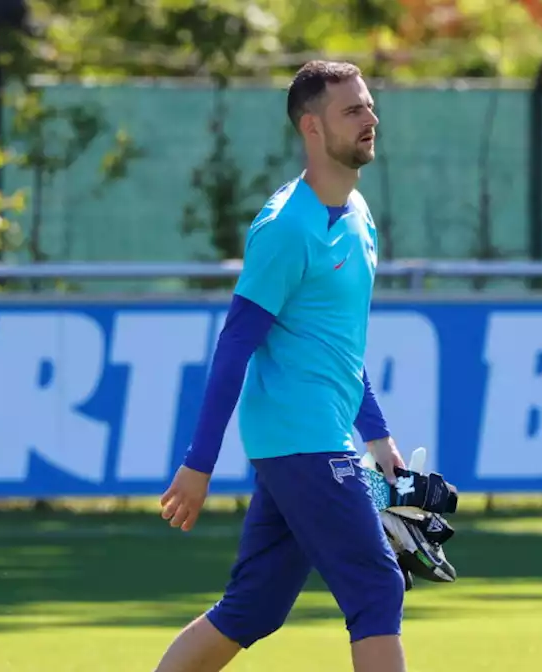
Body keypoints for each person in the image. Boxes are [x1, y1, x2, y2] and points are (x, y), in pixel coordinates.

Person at [153, 60, 410, 672]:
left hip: (311, 436)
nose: (370, 119)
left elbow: (338, 347)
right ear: (312, 128)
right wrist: (198, 464)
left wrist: (379, 437)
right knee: (377, 586)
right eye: (353, 111)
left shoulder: (358, 214)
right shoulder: (285, 227)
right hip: (301, 438)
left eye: (369, 105)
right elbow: (235, 344)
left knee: (253, 608)